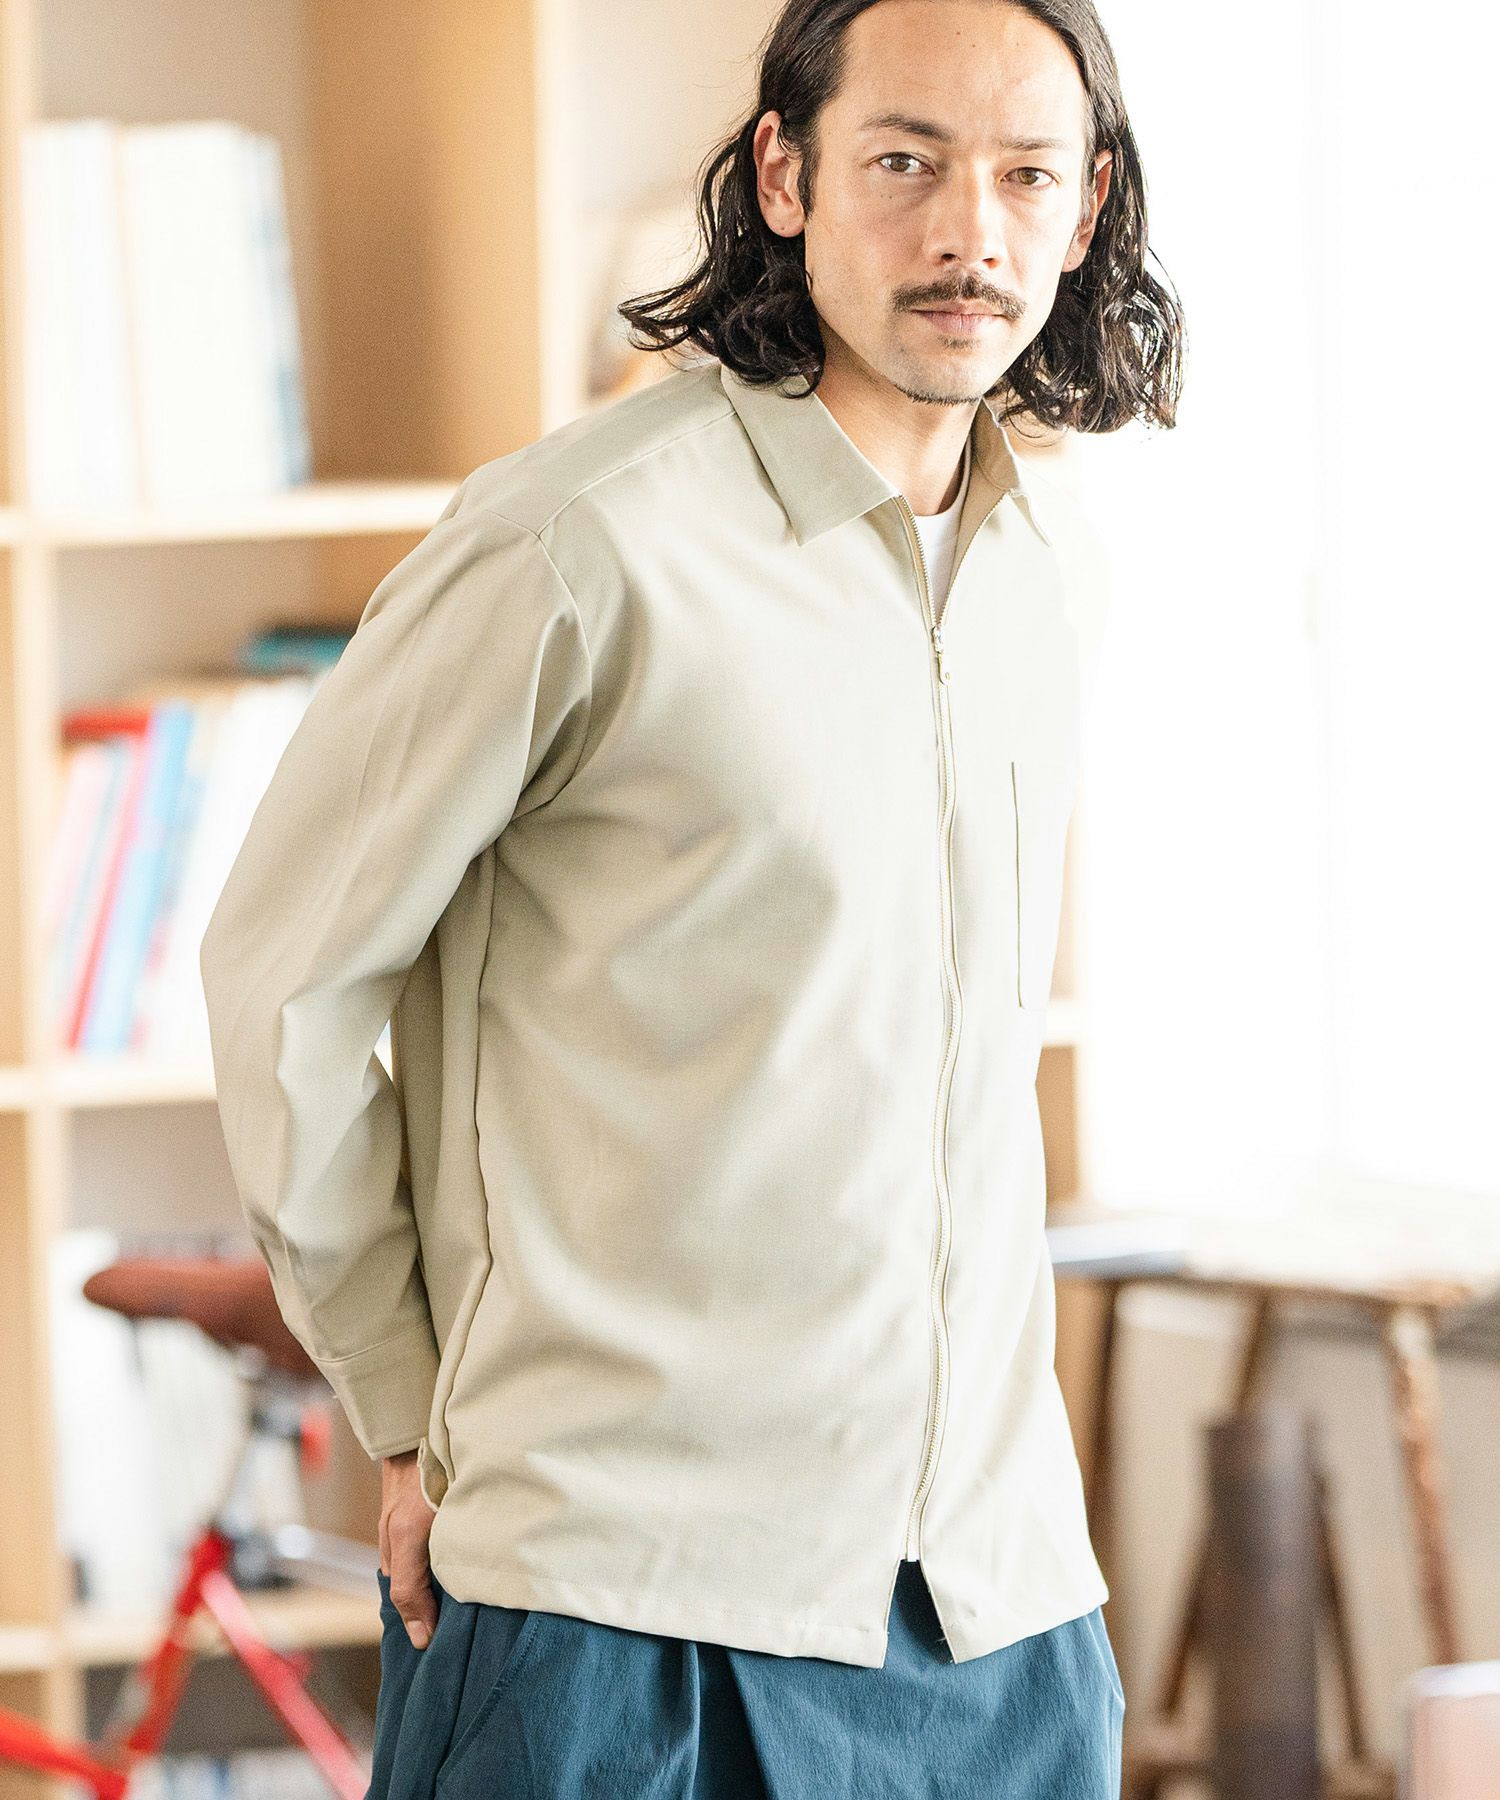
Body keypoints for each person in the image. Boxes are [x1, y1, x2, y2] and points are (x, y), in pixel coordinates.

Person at [200, 0, 1183, 1792]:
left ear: (1088, 204)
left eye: (1027, 176)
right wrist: (408, 1409)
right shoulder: (573, 544)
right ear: (785, 176)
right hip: (615, 1608)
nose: (970, 233)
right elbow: (289, 982)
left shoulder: (1056, 577)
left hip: (1000, 1617)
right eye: (906, 162)